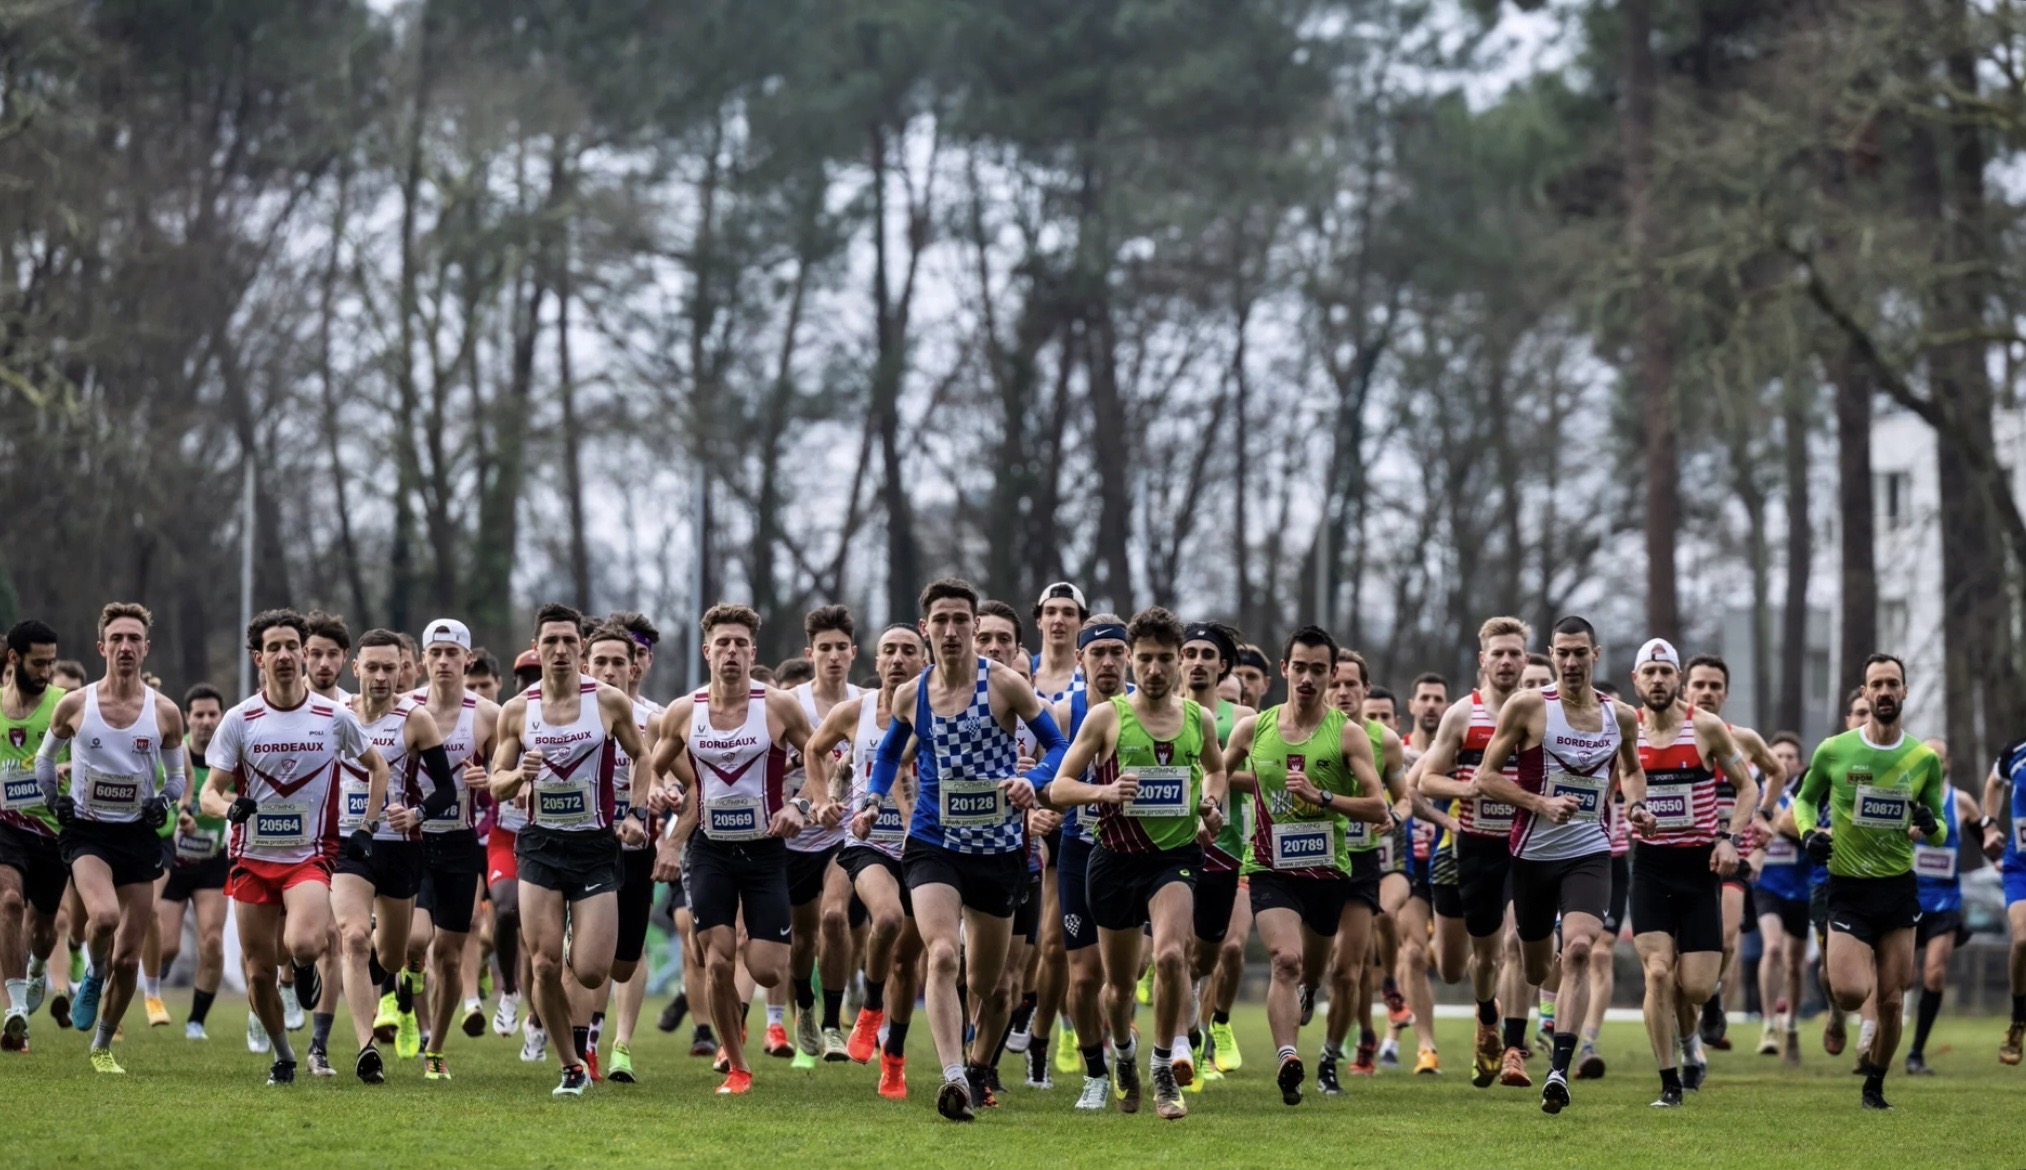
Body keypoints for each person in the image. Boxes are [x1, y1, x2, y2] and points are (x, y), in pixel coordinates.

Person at [855, 578, 1068, 1121]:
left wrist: (1035, 781)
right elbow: (887, 756)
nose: (951, 631)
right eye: (941, 621)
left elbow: (1059, 744)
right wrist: (874, 801)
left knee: (992, 988)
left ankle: (976, 1067)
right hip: (934, 843)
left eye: (961, 621)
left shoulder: (1004, 686)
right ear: (927, 628)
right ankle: (951, 1079)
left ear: (975, 627)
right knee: (944, 953)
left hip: (998, 850)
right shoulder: (912, 694)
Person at [1044, 608, 1227, 1120]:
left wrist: (1211, 805)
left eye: (1164, 659)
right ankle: (1122, 1053)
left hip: (1174, 857)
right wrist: (1104, 790)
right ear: (1130, 659)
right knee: (1119, 985)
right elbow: (1058, 789)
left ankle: (1164, 1066)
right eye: (1143, 658)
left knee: (1171, 957)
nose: (1153, 669)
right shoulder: (1107, 718)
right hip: (1114, 860)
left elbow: (1215, 769)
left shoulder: (1198, 719)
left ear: (1177, 662)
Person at [200, 608, 388, 1086]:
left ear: (303, 653)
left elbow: (377, 767)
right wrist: (229, 809)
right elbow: (208, 793)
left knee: (304, 942)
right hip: (250, 860)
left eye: (291, 647)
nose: (284, 656)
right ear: (257, 657)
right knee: (259, 973)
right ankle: (283, 1054)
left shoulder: (333, 716)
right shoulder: (239, 720)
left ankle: (304, 969)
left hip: (308, 857)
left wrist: (367, 825)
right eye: (274, 648)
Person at [1473, 615, 1647, 1114]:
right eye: (1562, 653)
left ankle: (1558, 1070)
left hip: (1590, 853)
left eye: (1580, 653)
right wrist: (1539, 804)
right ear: (1551, 655)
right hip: (1532, 855)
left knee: (1577, 952)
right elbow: (1486, 777)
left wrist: (1636, 806)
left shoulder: (1621, 717)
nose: (1570, 663)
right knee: (1533, 964)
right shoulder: (1528, 707)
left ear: (1597, 654)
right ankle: (1515, 1033)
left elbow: (1632, 772)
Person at [1220, 625, 1390, 1107]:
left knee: (1314, 971)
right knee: (1285, 961)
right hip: (1269, 866)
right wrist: (1221, 797)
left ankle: (1308, 993)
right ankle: (1289, 1057)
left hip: (1328, 872)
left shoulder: (1348, 734)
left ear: (1333, 674)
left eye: (1319, 669)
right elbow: (1218, 769)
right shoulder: (1256, 728)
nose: (1309, 678)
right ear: (1284, 670)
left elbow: (1378, 806)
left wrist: (1325, 798)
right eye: (1301, 668)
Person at [488, 603, 652, 1097]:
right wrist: (520, 775)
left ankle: (567, 944)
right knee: (541, 965)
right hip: (539, 846)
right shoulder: (519, 711)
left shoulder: (607, 702)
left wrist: (635, 814)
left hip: (595, 848)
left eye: (568, 641)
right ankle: (571, 1067)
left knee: (590, 969)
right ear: (537, 648)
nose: (559, 649)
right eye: (550, 641)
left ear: (581, 650)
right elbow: (495, 783)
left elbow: (643, 757)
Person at [654, 603, 817, 1095]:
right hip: (709, 851)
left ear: (753, 652)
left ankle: (797, 1003)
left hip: (765, 852)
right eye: (722, 643)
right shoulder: (686, 711)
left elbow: (822, 763)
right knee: (718, 959)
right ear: (707, 652)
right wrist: (661, 791)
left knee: (766, 968)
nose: (731, 652)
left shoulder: (779, 707)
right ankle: (739, 1065)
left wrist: (803, 807)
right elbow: (654, 763)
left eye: (740, 644)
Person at [34, 603, 188, 1074]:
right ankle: (92, 976)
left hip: (138, 837)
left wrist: (163, 800)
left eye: (134, 639)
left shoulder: (164, 712)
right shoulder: (75, 704)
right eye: (117, 638)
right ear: (102, 646)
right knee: (102, 918)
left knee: (129, 960)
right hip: (88, 833)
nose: (125, 646)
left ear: (146, 648)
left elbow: (178, 778)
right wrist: (53, 800)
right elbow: (44, 760)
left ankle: (102, 1046)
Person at [1792, 653, 1950, 1109]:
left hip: (1898, 889)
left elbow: (1939, 833)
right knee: (1848, 991)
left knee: (1893, 1000)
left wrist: (1928, 820)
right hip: (1848, 888)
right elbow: (1804, 800)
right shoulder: (1834, 750)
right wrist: (1808, 834)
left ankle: (1875, 1085)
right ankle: (1842, 1016)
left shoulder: (1923, 759)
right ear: (1864, 693)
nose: (1883, 692)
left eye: (1892, 684)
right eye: (1875, 684)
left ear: (1904, 691)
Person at [1623, 639, 1760, 1107]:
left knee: (1696, 985)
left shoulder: (1705, 728)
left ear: (1677, 678)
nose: (1658, 680)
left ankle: (1692, 1045)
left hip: (1700, 868)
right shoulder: (1626, 731)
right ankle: (1670, 1080)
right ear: (1635, 680)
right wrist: (1627, 812)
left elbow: (1748, 787)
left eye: (1666, 671)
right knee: (1659, 974)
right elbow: (1605, 784)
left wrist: (1730, 838)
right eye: (1650, 672)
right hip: (1652, 869)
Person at [805, 622, 928, 1098]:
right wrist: (820, 801)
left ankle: (893, 1058)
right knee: (889, 918)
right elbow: (814, 749)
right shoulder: (853, 711)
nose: (898, 659)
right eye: (889, 651)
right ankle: (869, 1009)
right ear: (874, 663)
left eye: (908, 651)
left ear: (924, 661)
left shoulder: (938, 712)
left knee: (906, 963)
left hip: (925, 847)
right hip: (868, 841)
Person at [1414, 617, 1531, 1089]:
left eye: (1514, 653)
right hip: (1477, 846)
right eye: (1498, 653)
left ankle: (1514, 1051)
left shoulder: (1542, 713)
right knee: (1478, 960)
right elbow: (1426, 780)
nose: (1506, 661)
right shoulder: (1463, 714)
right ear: (1483, 660)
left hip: (1527, 845)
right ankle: (1487, 1016)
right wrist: (1471, 789)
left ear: (1526, 659)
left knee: (1518, 942)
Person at [1038, 615, 1131, 1109]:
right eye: (1098, 653)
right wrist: (1039, 811)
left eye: (1117, 651)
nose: (1108, 662)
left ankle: (1128, 1049)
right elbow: (1046, 779)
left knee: (1128, 973)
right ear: (1080, 659)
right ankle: (1096, 1073)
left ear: (1129, 657)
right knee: (1083, 974)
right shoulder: (1063, 712)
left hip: (1139, 851)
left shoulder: (1150, 709)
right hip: (1079, 849)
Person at [1680, 654, 1786, 1052]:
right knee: (1681, 950)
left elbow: (1777, 772)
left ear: (1725, 693)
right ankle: (1694, 1024)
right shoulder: (1671, 737)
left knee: (1725, 938)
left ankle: (1711, 996)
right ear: (1685, 688)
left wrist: (1764, 815)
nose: (1706, 692)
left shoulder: (1743, 739)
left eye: (1714, 686)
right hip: (1683, 852)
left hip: (1731, 851)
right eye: (1699, 685)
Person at [409, 618, 499, 1081]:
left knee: (447, 954)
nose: (443, 661)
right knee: (414, 941)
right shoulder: (404, 710)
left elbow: (508, 781)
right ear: (423, 659)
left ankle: (436, 1050)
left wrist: (489, 783)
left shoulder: (486, 715)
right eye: (435, 653)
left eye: (452, 653)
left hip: (461, 845)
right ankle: (403, 988)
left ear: (468, 659)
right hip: (412, 842)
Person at [782, 605, 861, 1065]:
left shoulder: (865, 702)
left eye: (841, 648)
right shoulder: (790, 703)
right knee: (802, 940)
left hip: (844, 835)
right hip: (796, 837)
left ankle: (833, 1024)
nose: (833, 657)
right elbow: (772, 761)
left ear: (853, 653)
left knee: (835, 919)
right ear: (810, 653)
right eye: (824, 648)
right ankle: (805, 1008)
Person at [1180, 622, 1255, 1085]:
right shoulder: (1156, 712)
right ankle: (1179, 1046)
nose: (1198, 661)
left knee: (1206, 958)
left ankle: (1198, 1020)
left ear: (1222, 665)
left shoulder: (1242, 718)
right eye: (1189, 652)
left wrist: (1217, 779)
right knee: (1169, 950)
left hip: (1223, 846)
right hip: (1168, 845)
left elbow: (1264, 775)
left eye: (1209, 654)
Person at [1, 620, 66, 1053]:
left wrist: (69, 770)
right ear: (13, 659)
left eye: (51, 663)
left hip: (53, 831)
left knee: (43, 931)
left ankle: (39, 966)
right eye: (38, 663)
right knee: (7, 902)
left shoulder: (66, 706)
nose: (46, 671)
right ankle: (15, 1006)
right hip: (6, 826)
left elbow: (96, 762)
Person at [156, 684, 231, 1041]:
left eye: (212, 714)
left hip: (213, 862)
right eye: (198, 714)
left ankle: (196, 1020)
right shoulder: (174, 752)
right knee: (167, 945)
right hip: (174, 862)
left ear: (221, 716)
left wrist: (225, 798)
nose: (205, 721)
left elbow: (245, 794)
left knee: (212, 942)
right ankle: (157, 973)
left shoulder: (229, 757)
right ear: (187, 718)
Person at [1904, 737, 1978, 1076]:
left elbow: (1987, 841)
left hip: (1946, 904)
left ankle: (1916, 1053)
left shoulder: (1960, 802)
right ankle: (1878, 1040)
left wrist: (1994, 844)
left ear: (1947, 764)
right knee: (1902, 980)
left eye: (1940, 758)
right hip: (1907, 901)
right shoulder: (1904, 799)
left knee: (1934, 974)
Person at [1753, 731, 1811, 1066]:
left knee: (1795, 964)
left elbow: (1809, 830)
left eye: (1791, 756)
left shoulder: (1806, 795)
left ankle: (1791, 1025)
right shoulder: (1757, 793)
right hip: (1767, 885)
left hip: (1799, 888)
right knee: (1772, 948)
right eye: (1779, 755)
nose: (1785, 761)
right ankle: (1768, 1025)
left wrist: (1785, 825)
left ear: (1799, 764)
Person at [1984, 728, 2026, 1065]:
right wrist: (1988, 824)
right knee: (2023, 940)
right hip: (2020, 867)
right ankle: (2017, 1019)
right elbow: (1993, 784)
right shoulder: (2015, 752)